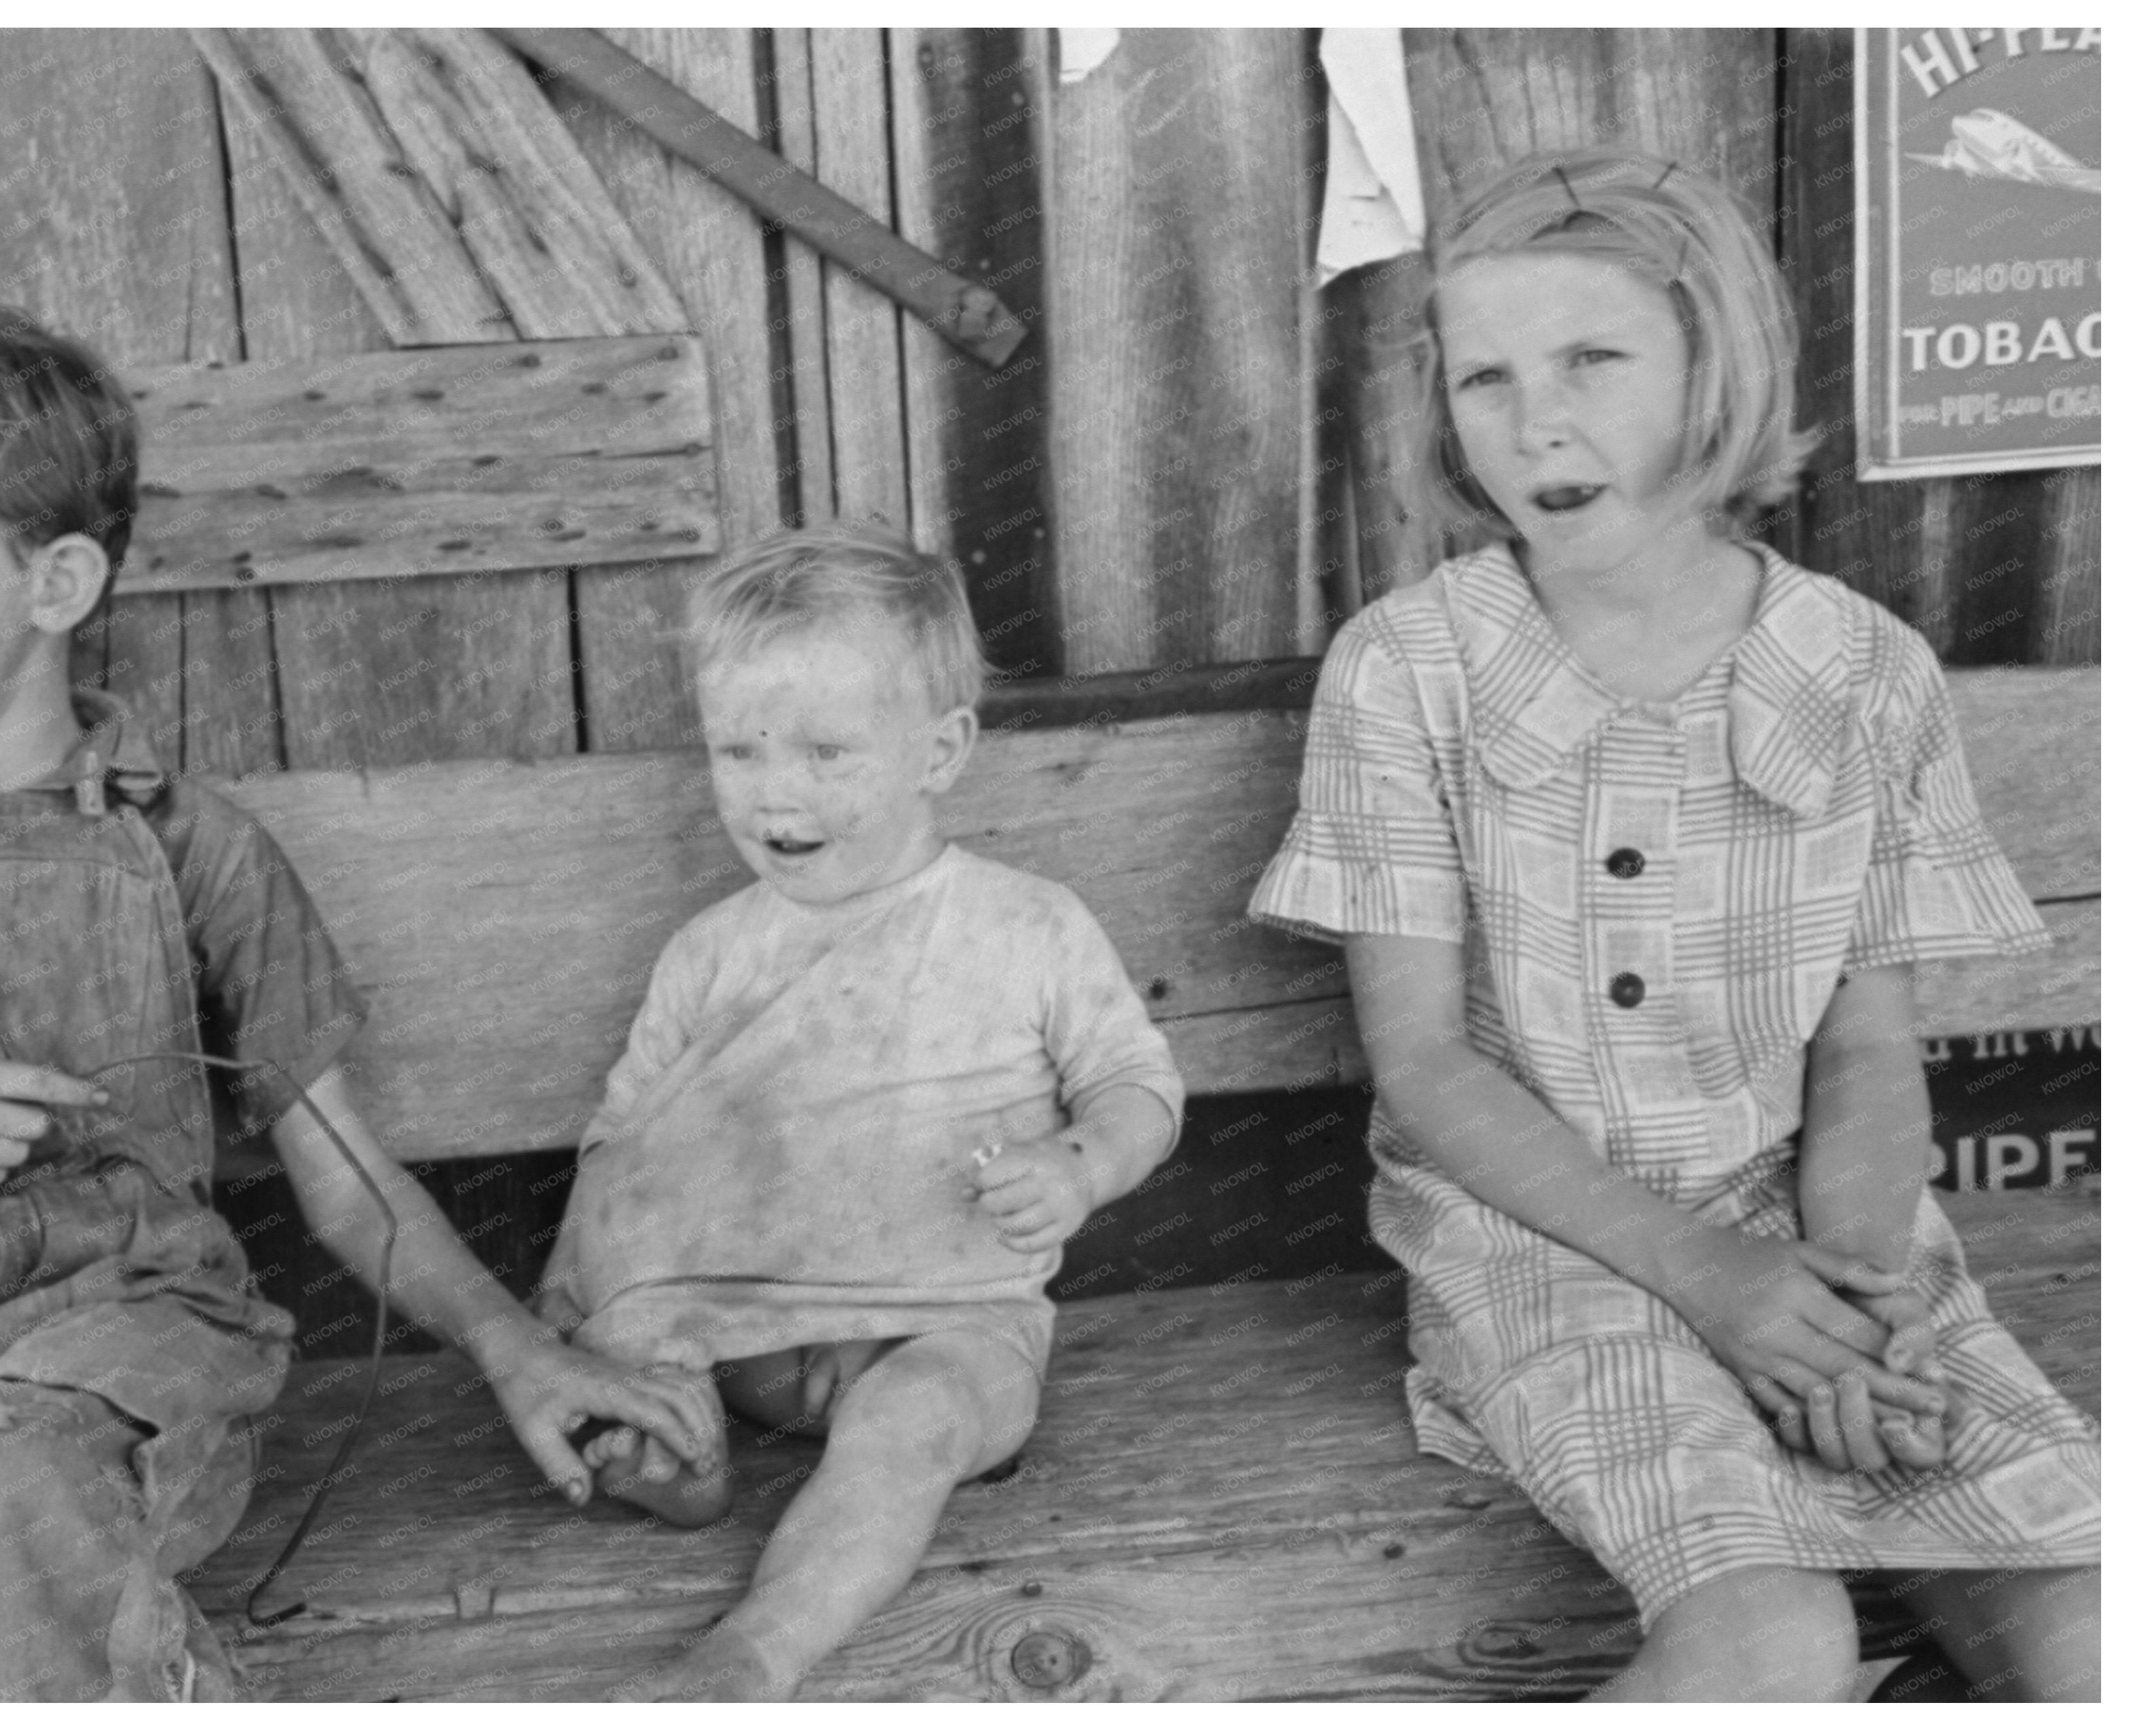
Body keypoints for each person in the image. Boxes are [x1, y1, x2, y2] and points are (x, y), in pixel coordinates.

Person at [0, 297, 716, 1702]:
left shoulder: (190, 845)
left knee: (4, 1480)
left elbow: (346, 1176)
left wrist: (518, 1353)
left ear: (54, 583)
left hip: (123, 1358)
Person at [1249, 148, 2099, 1702]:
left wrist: (1850, 1301)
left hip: (1821, 1225)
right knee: (1774, 1641)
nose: (1533, 421)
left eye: (1590, 360)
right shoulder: (1408, 671)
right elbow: (1426, 1070)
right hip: (1538, 1240)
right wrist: (1707, 1282)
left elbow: (1860, 1040)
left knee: (2100, 1627)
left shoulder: (1858, 673)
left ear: (1711, 366)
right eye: (1484, 377)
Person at [534, 523, 1185, 1700]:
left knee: (913, 1423)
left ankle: (753, 1653)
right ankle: (673, 1434)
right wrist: (628, 1300)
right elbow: (620, 1149)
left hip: (953, 1322)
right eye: (738, 749)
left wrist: (1080, 1165)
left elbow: (1138, 1085)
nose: (775, 791)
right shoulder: (711, 953)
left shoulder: (1026, 926)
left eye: (827, 752)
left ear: (940, 751)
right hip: (742, 1319)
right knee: (624, 1339)